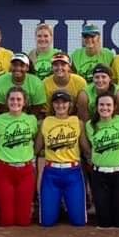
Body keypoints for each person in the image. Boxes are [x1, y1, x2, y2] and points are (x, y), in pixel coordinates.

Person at [0, 87, 39, 226]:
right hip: (4, 170)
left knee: (24, 221)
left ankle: (26, 209)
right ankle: (0, 208)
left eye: (19, 99)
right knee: (6, 221)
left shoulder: (31, 120)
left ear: (24, 102)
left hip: (26, 170)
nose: (15, 102)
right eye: (12, 99)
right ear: (7, 101)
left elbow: (35, 139)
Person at [35, 90, 86, 226]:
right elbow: (37, 148)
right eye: (57, 102)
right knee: (47, 222)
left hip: (73, 172)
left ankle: (65, 207)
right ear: (52, 105)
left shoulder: (77, 122)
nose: (60, 105)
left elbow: (85, 147)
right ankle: (57, 207)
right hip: (51, 172)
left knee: (78, 222)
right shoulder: (46, 122)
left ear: (70, 104)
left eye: (64, 102)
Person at [81, 91, 119, 228]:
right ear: (96, 107)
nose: (105, 108)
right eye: (101, 105)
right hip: (99, 174)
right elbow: (88, 146)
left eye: (108, 105)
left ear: (114, 107)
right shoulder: (90, 125)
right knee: (104, 222)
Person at [43, 53, 87, 117]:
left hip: (76, 116)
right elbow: (47, 111)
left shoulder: (80, 81)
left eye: (63, 64)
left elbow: (84, 107)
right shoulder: (45, 83)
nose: (59, 68)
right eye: (56, 65)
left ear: (69, 67)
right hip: (54, 116)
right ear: (52, 67)